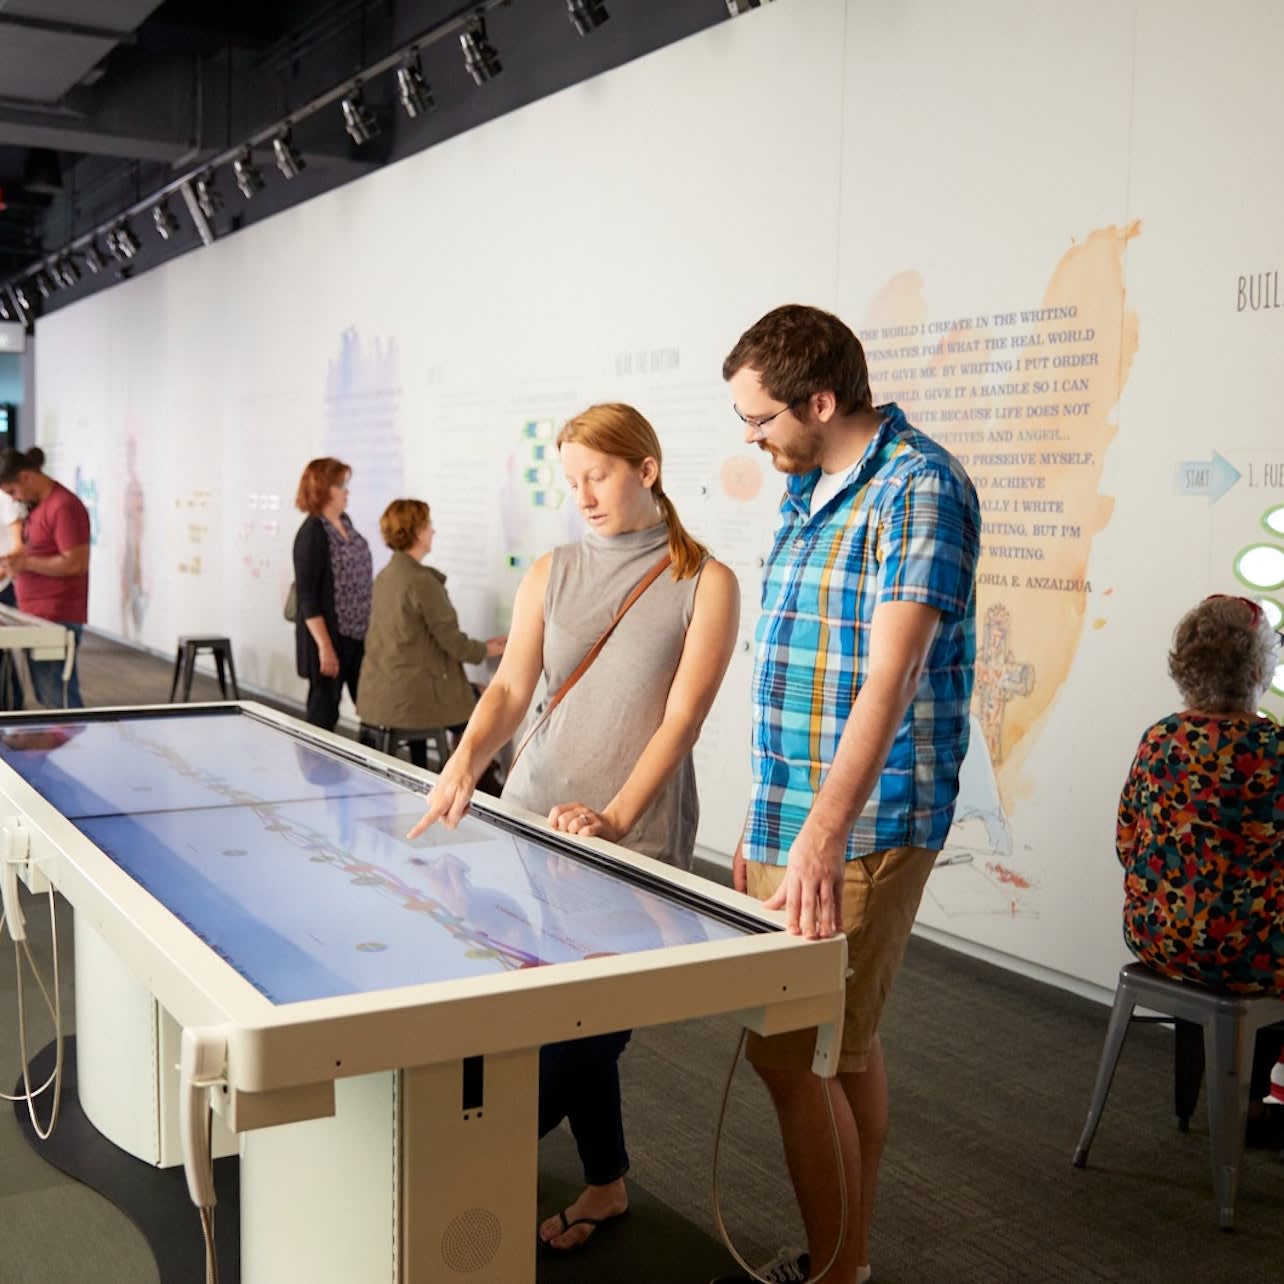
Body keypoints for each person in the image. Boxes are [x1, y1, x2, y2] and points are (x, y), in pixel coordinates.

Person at [408, 402, 740, 1253]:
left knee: (584, 1032)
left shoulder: (706, 582)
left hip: (629, 843)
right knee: (555, 1015)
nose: (582, 496)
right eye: (571, 481)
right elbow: (511, 688)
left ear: (646, 470)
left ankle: (453, 1167)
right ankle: (606, 1183)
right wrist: (465, 760)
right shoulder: (551, 571)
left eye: (597, 476)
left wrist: (615, 818)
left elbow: (683, 719)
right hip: (532, 823)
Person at [715, 305, 980, 1284]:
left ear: (820, 402)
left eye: (760, 419)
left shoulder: (920, 486)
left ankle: (837, 1274)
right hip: (798, 816)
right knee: (845, 1048)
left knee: (791, 1055)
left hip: (864, 824)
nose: (752, 439)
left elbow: (893, 677)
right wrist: (768, 828)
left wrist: (820, 838)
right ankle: (847, 1262)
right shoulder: (810, 483)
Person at [1116, 594, 1284, 1122]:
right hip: (1252, 954)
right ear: (1256, 668)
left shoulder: (1159, 739)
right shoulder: (1274, 749)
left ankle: (1223, 1102)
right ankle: (1252, 1102)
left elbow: (1126, 844)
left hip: (1159, 938)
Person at [356, 498, 505, 772]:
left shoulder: (386, 576)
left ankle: (446, 771)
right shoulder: (422, 582)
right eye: (428, 525)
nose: (433, 531)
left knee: (466, 695)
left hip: (378, 695)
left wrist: (481, 646)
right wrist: (490, 650)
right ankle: (468, 777)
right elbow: (454, 644)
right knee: (484, 699)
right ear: (415, 532)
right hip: (410, 699)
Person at [0, 446, 92, 709]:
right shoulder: (38, 508)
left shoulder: (63, 506)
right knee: (47, 696)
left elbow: (76, 563)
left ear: (26, 477)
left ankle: (78, 739)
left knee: (59, 700)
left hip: (57, 615)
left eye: (13, 492)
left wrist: (26, 563)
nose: (14, 499)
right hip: (36, 615)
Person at [291, 457, 372, 731]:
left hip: (358, 634)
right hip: (331, 638)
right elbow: (308, 599)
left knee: (371, 708)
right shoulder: (312, 534)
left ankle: (366, 756)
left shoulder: (345, 522)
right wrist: (325, 647)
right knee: (324, 711)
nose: (347, 491)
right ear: (323, 490)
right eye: (341, 486)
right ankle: (313, 759)